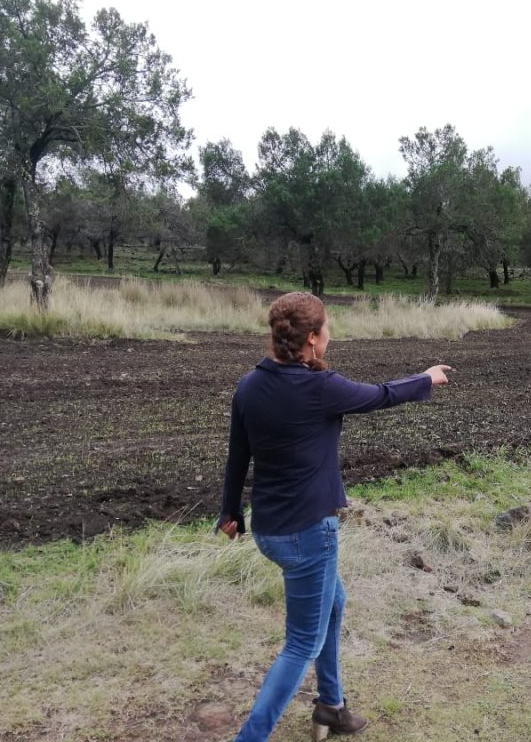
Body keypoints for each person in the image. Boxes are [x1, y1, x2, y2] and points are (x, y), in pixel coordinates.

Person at [218, 291, 451, 741]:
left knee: (334, 602)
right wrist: (425, 378)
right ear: (311, 337)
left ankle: (331, 706)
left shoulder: (249, 385)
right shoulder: (318, 387)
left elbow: (237, 455)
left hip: (269, 530)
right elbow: (380, 395)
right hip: (307, 533)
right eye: (327, 328)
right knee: (301, 644)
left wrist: (229, 510)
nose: (330, 334)